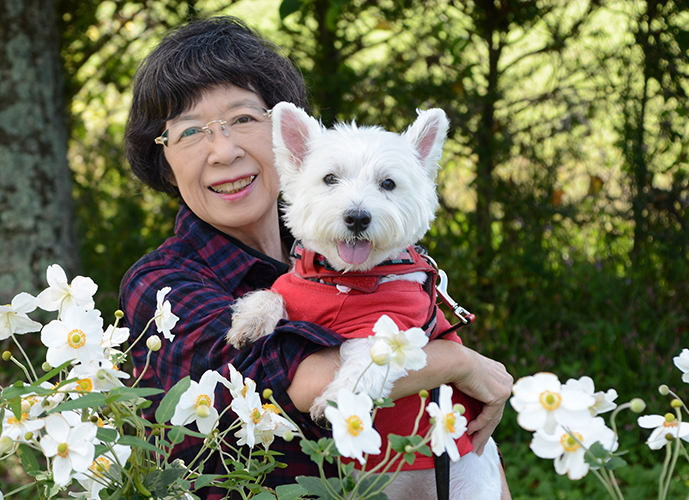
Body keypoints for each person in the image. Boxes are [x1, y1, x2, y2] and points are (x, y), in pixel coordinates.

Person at [120, 15, 513, 500]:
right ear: (163, 158)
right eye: (190, 131)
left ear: (286, 139)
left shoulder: (360, 256)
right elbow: (281, 377)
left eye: (243, 119)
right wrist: (456, 360)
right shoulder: (160, 283)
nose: (223, 151)